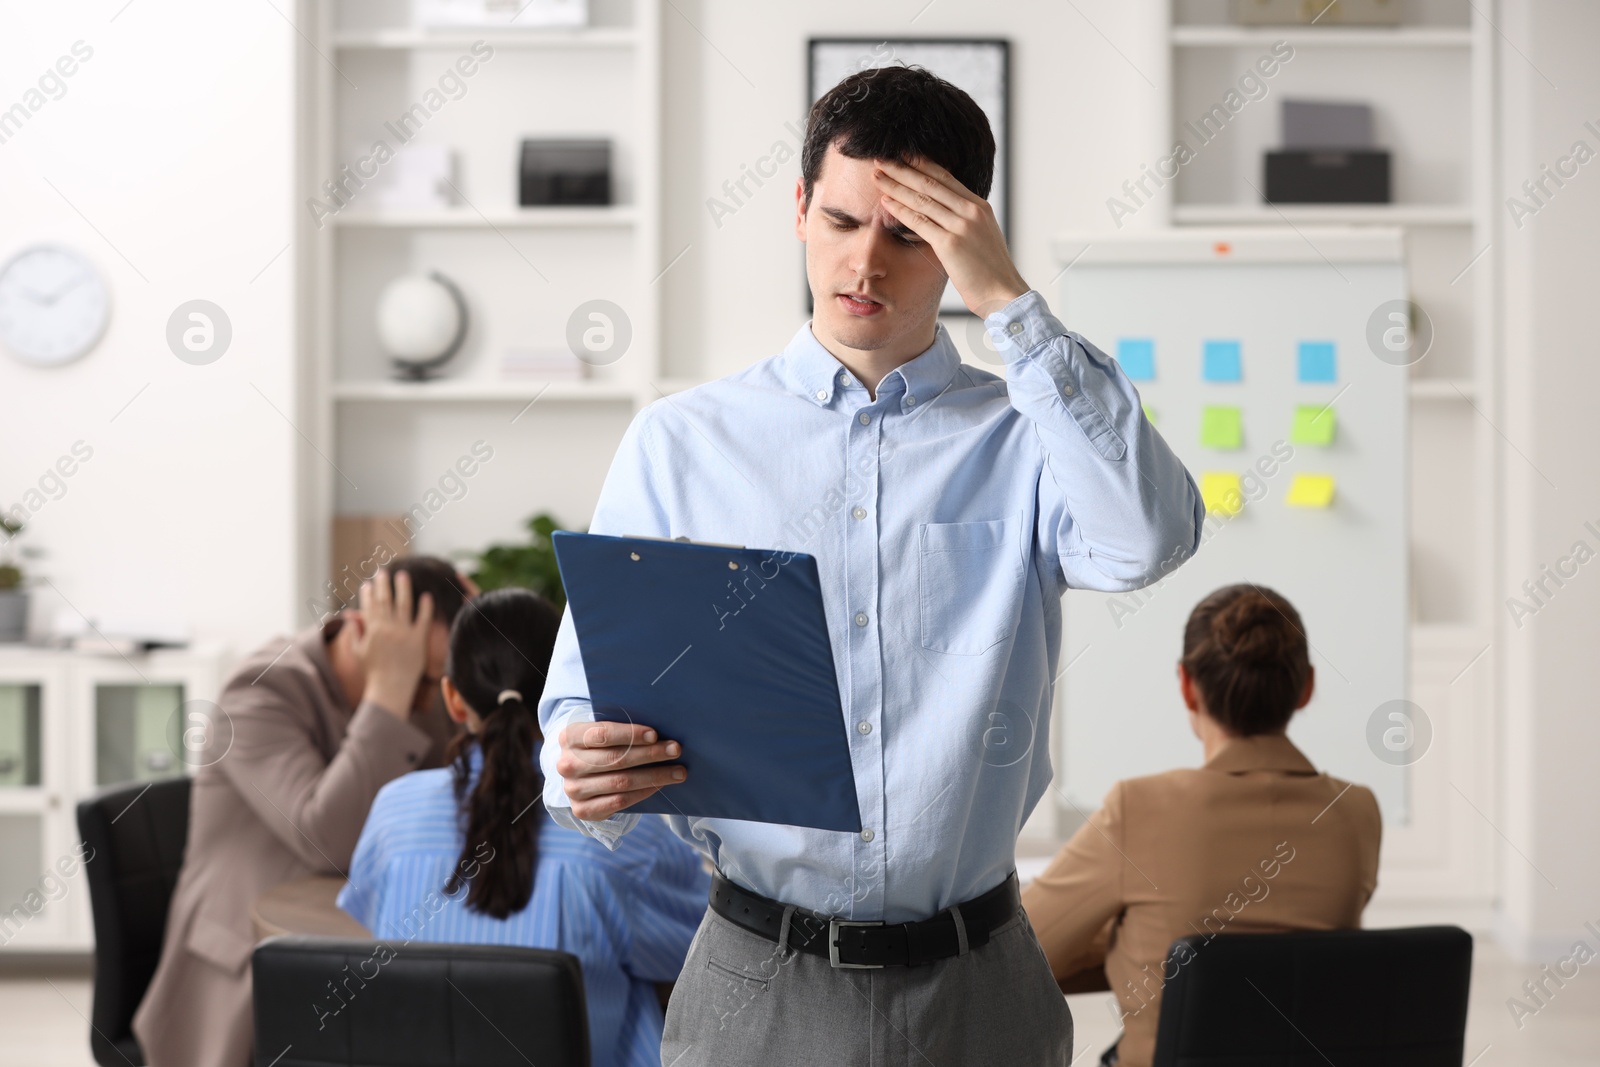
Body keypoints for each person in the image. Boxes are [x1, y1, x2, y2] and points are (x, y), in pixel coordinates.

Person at [537, 64, 1204, 1065]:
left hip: (979, 981)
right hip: (755, 980)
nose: (865, 263)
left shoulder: (1026, 437)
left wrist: (1011, 305)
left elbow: (1147, 536)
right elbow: (576, 703)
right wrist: (575, 760)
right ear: (800, 207)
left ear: (962, 239)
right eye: (843, 221)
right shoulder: (681, 442)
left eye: (907, 235)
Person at [338, 588, 709, 1067]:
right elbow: (701, 954)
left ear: (453, 698)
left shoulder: (392, 811)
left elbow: (377, 932)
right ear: (566, 690)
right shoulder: (622, 827)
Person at [1021, 584, 1382, 1067]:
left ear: (1187, 686)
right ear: (1307, 688)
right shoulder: (1356, 812)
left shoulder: (1138, 807)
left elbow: (1021, 950)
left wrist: (1137, 940)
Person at [133, 558, 473, 1067]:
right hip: (251, 978)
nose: (433, 702)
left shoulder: (428, 688)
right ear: (360, 631)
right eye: (424, 681)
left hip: (361, 949)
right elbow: (328, 842)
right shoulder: (258, 692)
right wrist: (389, 692)